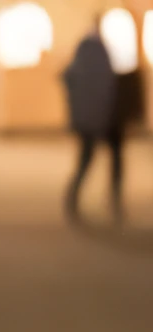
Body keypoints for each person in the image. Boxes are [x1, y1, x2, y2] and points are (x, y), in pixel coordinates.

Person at [62, 22, 121, 220]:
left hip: (89, 120)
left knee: (87, 160)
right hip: (102, 117)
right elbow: (109, 88)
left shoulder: (80, 64)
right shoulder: (100, 58)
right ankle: (114, 199)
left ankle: (75, 198)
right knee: (101, 159)